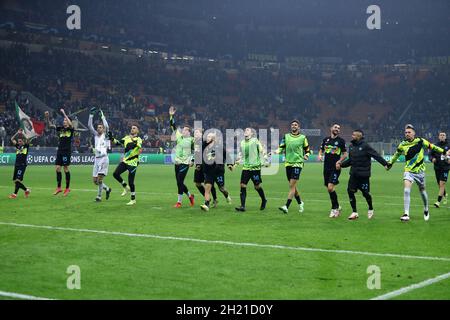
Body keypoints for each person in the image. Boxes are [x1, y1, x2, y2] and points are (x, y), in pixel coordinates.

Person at [388, 124, 449, 221]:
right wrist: (390, 163)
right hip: (409, 171)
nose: (407, 134)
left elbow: (433, 147)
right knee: (406, 190)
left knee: (423, 192)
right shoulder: (402, 144)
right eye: (406, 132)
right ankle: (406, 214)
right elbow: (396, 155)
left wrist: (444, 152)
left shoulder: (421, 141)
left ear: (413, 133)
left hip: (420, 172)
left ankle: (426, 209)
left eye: (409, 132)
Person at [337, 129, 389, 220]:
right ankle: (354, 212)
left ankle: (370, 209)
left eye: (353, 135)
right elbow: (350, 161)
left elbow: (375, 155)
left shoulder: (365, 146)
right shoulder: (351, 146)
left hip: (364, 176)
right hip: (353, 175)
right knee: (350, 191)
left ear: (358, 136)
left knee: (366, 193)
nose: (352, 136)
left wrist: (385, 164)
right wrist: (341, 165)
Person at [276, 119, 310, 214]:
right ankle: (300, 202)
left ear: (298, 127)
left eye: (295, 125)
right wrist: (275, 152)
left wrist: (306, 155)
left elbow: (307, 149)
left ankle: (286, 206)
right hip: (288, 163)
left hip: (297, 163)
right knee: (293, 186)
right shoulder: (286, 137)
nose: (294, 126)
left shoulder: (303, 138)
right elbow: (281, 147)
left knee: (291, 186)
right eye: (292, 125)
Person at [235, 128, 268, 212]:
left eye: (248, 130)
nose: (245, 131)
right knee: (242, 185)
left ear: (252, 133)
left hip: (255, 168)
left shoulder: (255, 140)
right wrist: (237, 161)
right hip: (246, 168)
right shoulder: (242, 143)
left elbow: (261, 150)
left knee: (257, 186)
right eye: (245, 130)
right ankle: (242, 206)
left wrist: (265, 157)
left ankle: (264, 200)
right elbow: (241, 154)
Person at [318, 124, 347, 218]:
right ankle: (337, 206)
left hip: (336, 168)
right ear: (331, 129)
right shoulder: (326, 140)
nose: (337, 129)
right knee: (329, 188)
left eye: (339, 128)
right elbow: (321, 150)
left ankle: (334, 208)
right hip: (326, 168)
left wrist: (339, 161)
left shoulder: (341, 141)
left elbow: (345, 154)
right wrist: (320, 155)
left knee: (330, 188)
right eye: (335, 127)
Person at [199, 131, 234, 212]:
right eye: (207, 136)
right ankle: (206, 204)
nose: (207, 138)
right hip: (208, 172)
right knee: (207, 188)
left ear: (213, 139)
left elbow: (227, 155)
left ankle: (227, 195)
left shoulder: (219, 147)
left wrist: (230, 164)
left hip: (218, 171)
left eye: (209, 137)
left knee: (221, 188)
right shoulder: (204, 146)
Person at [109, 125, 143, 206]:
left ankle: (133, 199)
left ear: (137, 131)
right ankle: (125, 186)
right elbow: (117, 143)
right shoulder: (126, 137)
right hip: (125, 161)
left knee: (131, 182)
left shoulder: (139, 139)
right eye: (131, 128)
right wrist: (111, 138)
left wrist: (131, 138)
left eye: (134, 128)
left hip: (133, 163)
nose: (132, 129)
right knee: (115, 174)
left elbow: (135, 145)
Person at [169, 106, 195, 208]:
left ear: (189, 132)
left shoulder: (192, 140)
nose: (183, 131)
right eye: (183, 130)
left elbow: (197, 151)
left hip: (185, 163)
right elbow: (173, 126)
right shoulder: (179, 136)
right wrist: (171, 116)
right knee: (179, 182)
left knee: (180, 181)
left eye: (185, 130)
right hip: (177, 162)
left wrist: (192, 160)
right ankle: (190, 196)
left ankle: (179, 202)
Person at [45, 109, 74, 196]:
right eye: (64, 120)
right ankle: (59, 188)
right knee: (57, 168)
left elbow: (71, 124)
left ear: (68, 122)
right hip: (60, 151)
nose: (64, 121)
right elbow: (50, 126)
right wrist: (47, 118)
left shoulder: (70, 129)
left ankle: (67, 188)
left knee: (65, 169)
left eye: (66, 120)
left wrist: (64, 113)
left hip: (66, 151)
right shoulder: (60, 129)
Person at [88, 107, 112, 202]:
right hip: (96, 159)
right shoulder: (95, 135)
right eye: (98, 127)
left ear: (103, 129)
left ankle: (99, 196)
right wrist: (91, 115)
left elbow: (107, 126)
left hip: (104, 159)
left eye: (100, 127)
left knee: (99, 180)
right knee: (95, 181)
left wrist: (102, 116)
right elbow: (90, 126)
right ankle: (107, 189)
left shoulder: (105, 135)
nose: (99, 128)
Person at [193, 128, 218, 208]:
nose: (195, 133)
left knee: (209, 183)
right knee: (197, 183)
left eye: (197, 132)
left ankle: (213, 199)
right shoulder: (195, 142)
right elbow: (196, 153)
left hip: (207, 166)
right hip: (199, 165)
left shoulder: (205, 141)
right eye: (195, 132)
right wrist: (193, 161)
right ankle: (207, 198)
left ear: (201, 134)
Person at [429, 131, 450, 208]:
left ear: (445, 136)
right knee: (439, 184)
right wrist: (432, 159)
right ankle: (444, 194)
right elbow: (430, 154)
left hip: (445, 168)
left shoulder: (449, 145)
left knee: (442, 184)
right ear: (438, 136)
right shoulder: (435, 145)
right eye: (440, 135)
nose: (442, 136)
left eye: (443, 135)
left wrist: (448, 160)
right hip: (437, 167)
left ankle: (438, 202)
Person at [8, 129, 31, 199]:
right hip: (16, 165)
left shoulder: (26, 146)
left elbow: (28, 139)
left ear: (23, 141)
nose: (19, 142)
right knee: (15, 181)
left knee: (18, 180)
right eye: (18, 141)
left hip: (22, 165)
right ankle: (25, 191)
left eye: (20, 141)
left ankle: (16, 194)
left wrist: (23, 133)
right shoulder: (18, 146)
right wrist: (17, 133)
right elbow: (12, 139)